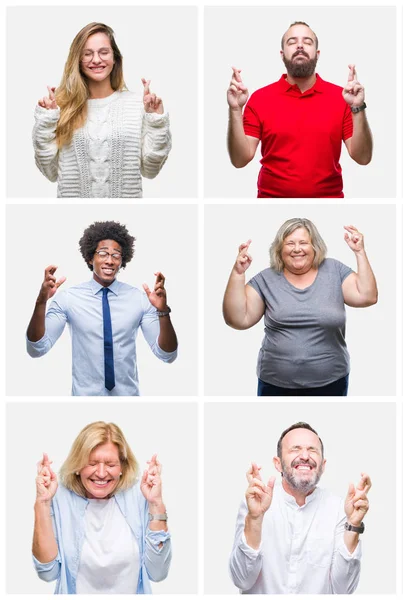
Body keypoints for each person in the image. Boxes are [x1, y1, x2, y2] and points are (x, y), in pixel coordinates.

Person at [222, 218, 377, 395]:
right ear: (280, 248)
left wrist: (360, 252)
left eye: (303, 242)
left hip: (332, 381)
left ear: (315, 247)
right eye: (290, 243)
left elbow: (367, 297)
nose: (297, 249)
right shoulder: (265, 279)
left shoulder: (334, 270)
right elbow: (237, 319)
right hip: (274, 383)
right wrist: (238, 273)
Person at [26, 220, 178, 395]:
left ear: (123, 260)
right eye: (103, 253)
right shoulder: (69, 299)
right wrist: (41, 302)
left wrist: (162, 311)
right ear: (91, 257)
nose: (110, 261)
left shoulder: (139, 299)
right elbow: (36, 349)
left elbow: (167, 355)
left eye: (116, 255)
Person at [227, 21, 373, 198]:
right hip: (271, 202)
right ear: (282, 54)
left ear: (317, 54)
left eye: (307, 41)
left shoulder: (342, 98)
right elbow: (240, 160)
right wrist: (235, 109)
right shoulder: (260, 99)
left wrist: (357, 106)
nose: (300, 45)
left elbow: (363, 157)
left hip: (328, 202)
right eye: (292, 41)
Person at [229, 422, 371, 594]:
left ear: (323, 465)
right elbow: (242, 580)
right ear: (278, 463)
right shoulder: (255, 503)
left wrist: (353, 525)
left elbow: (343, 590)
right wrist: (255, 518)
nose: (305, 456)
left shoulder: (339, 509)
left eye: (312, 450)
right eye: (295, 449)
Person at [33, 22, 171, 198]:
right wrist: (46, 121)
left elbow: (151, 170)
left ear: (115, 58)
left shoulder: (137, 105)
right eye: (87, 54)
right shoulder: (61, 107)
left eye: (104, 52)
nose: (96, 59)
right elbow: (49, 172)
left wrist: (156, 120)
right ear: (78, 59)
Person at [33, 421, 171, 594]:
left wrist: (156, 503)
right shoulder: (61, 497)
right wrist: (43, 503)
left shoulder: (139, 496)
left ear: (122, 467)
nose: (100, 473)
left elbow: (158, 573)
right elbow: (47, 572)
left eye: (111, 465)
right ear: (77, 466)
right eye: (91, 463)